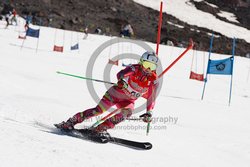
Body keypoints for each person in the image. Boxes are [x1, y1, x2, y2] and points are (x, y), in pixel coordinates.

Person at [56, 51, 159, 134]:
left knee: (126, 113)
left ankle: (100, 128)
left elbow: (151, 97)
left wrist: (149, 112)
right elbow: (121, 73)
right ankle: (71, 121)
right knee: (98, 111)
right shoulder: (134, 68)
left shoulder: (153, 80)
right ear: (141, 62)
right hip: (114, 94)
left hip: (128, 101)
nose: (149, 69)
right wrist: (122, 79)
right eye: (146, 64)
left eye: (152, 67)